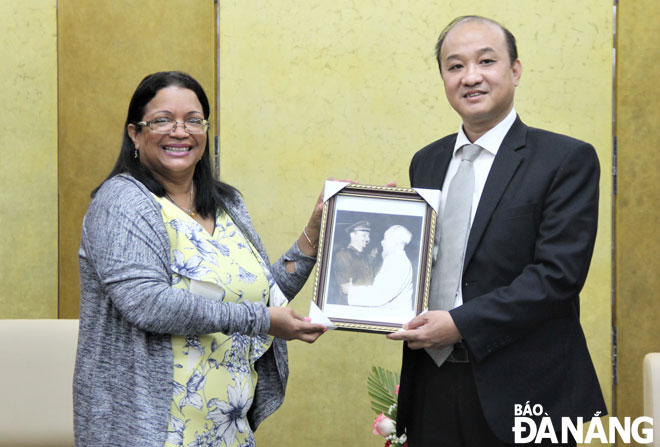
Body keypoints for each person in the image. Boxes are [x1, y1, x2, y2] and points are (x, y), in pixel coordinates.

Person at [73, 71, 326, 447]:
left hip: (227, 432)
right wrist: (262, 321)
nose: (180, 131)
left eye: (194, 120)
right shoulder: (122, 202)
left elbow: (260, 295)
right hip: (151, 432)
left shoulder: (227, 205)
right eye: (162, 120)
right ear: (135, 134)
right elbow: (147, 303)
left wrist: (315, 236)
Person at [387, 16, 606, 446]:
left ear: (515, 70)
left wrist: (460, 324)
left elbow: (556, 277)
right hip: (432, 381)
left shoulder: (565, 159)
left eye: (486, 61)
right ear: (443, 77)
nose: (471, 77)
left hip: (526, 388)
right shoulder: (426, 161)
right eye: (455, 66)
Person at [344, 225, 414, 317]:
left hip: (395, 319)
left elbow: (379, 295)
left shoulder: (399, 263)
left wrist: (351, 290)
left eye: (385, 239)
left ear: (394, 242)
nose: (382, 242)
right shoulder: (393, 260)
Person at [328, 220, 378, 304]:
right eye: (364, 235)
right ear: (352, 235)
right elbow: (348, 287)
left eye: (368, 236)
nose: (368, 239)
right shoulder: (342, 255)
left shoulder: (365, 257)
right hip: (349, 304)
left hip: (365, 302)